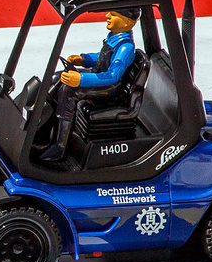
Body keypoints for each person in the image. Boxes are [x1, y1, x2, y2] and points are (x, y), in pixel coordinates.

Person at [39, 9, 140, 166]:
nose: (107, 16)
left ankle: (60, 148)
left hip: (111, 87)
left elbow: (113, 75)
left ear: (127, 22)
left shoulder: (125, 48)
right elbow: (102, 58)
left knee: (70, 91)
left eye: (113, 14)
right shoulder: (114, 38)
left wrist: (81, 79)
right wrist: (83, 59)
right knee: (59, 77)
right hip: (102, 77)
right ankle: (44, 130)